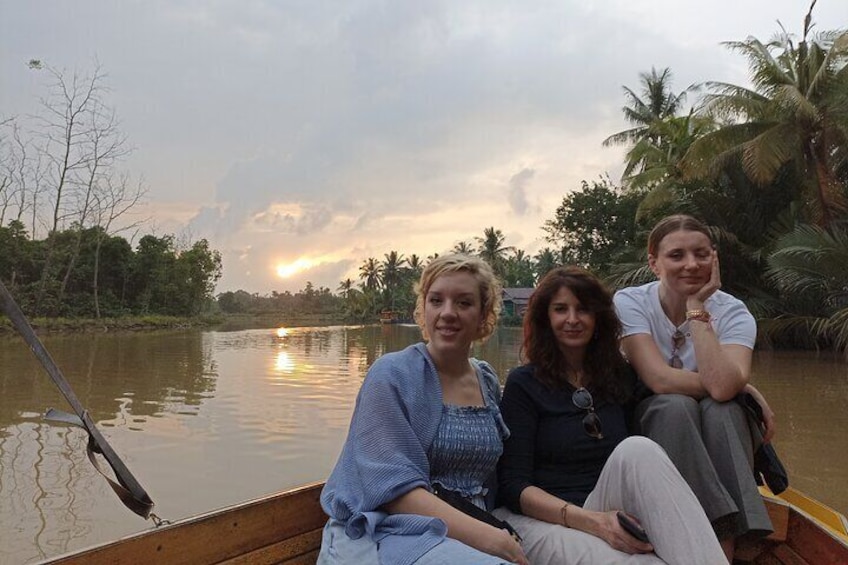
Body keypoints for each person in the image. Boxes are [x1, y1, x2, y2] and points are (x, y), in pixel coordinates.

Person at [493, 266, 726, 564]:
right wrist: (594, 522)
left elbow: (672, 385)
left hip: (605, 504)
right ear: (545, 319)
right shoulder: (523, 384)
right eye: (561, 309)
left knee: (638, 449)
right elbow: (513, 486)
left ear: (599, 318)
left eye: (583, 309)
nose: (573, 319)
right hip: (542, 519)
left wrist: (739, 389)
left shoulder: (618, 376)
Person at [318, 254, 529, 565]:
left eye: (463, 303)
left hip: (473, 522)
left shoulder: (486, 378)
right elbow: (393, 490)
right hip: (398, 531)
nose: (447, 313)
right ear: (424, 308)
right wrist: (490, 538)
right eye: (436, 300)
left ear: (484, 314)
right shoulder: (391, 374)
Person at [613, 214, 774, 560]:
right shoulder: (630, 302)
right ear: (653, 263)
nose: (691, 264)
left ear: (714, 258)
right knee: (674, 405)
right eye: (676, 256)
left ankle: (727, 538)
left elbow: (721, 392)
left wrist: (697, 309)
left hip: (715, 428)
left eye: (701, 254)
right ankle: (727, 536)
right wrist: (741, 387)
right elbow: (659, 379)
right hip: (654, 426)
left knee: (723, 409)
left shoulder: (732, 312)